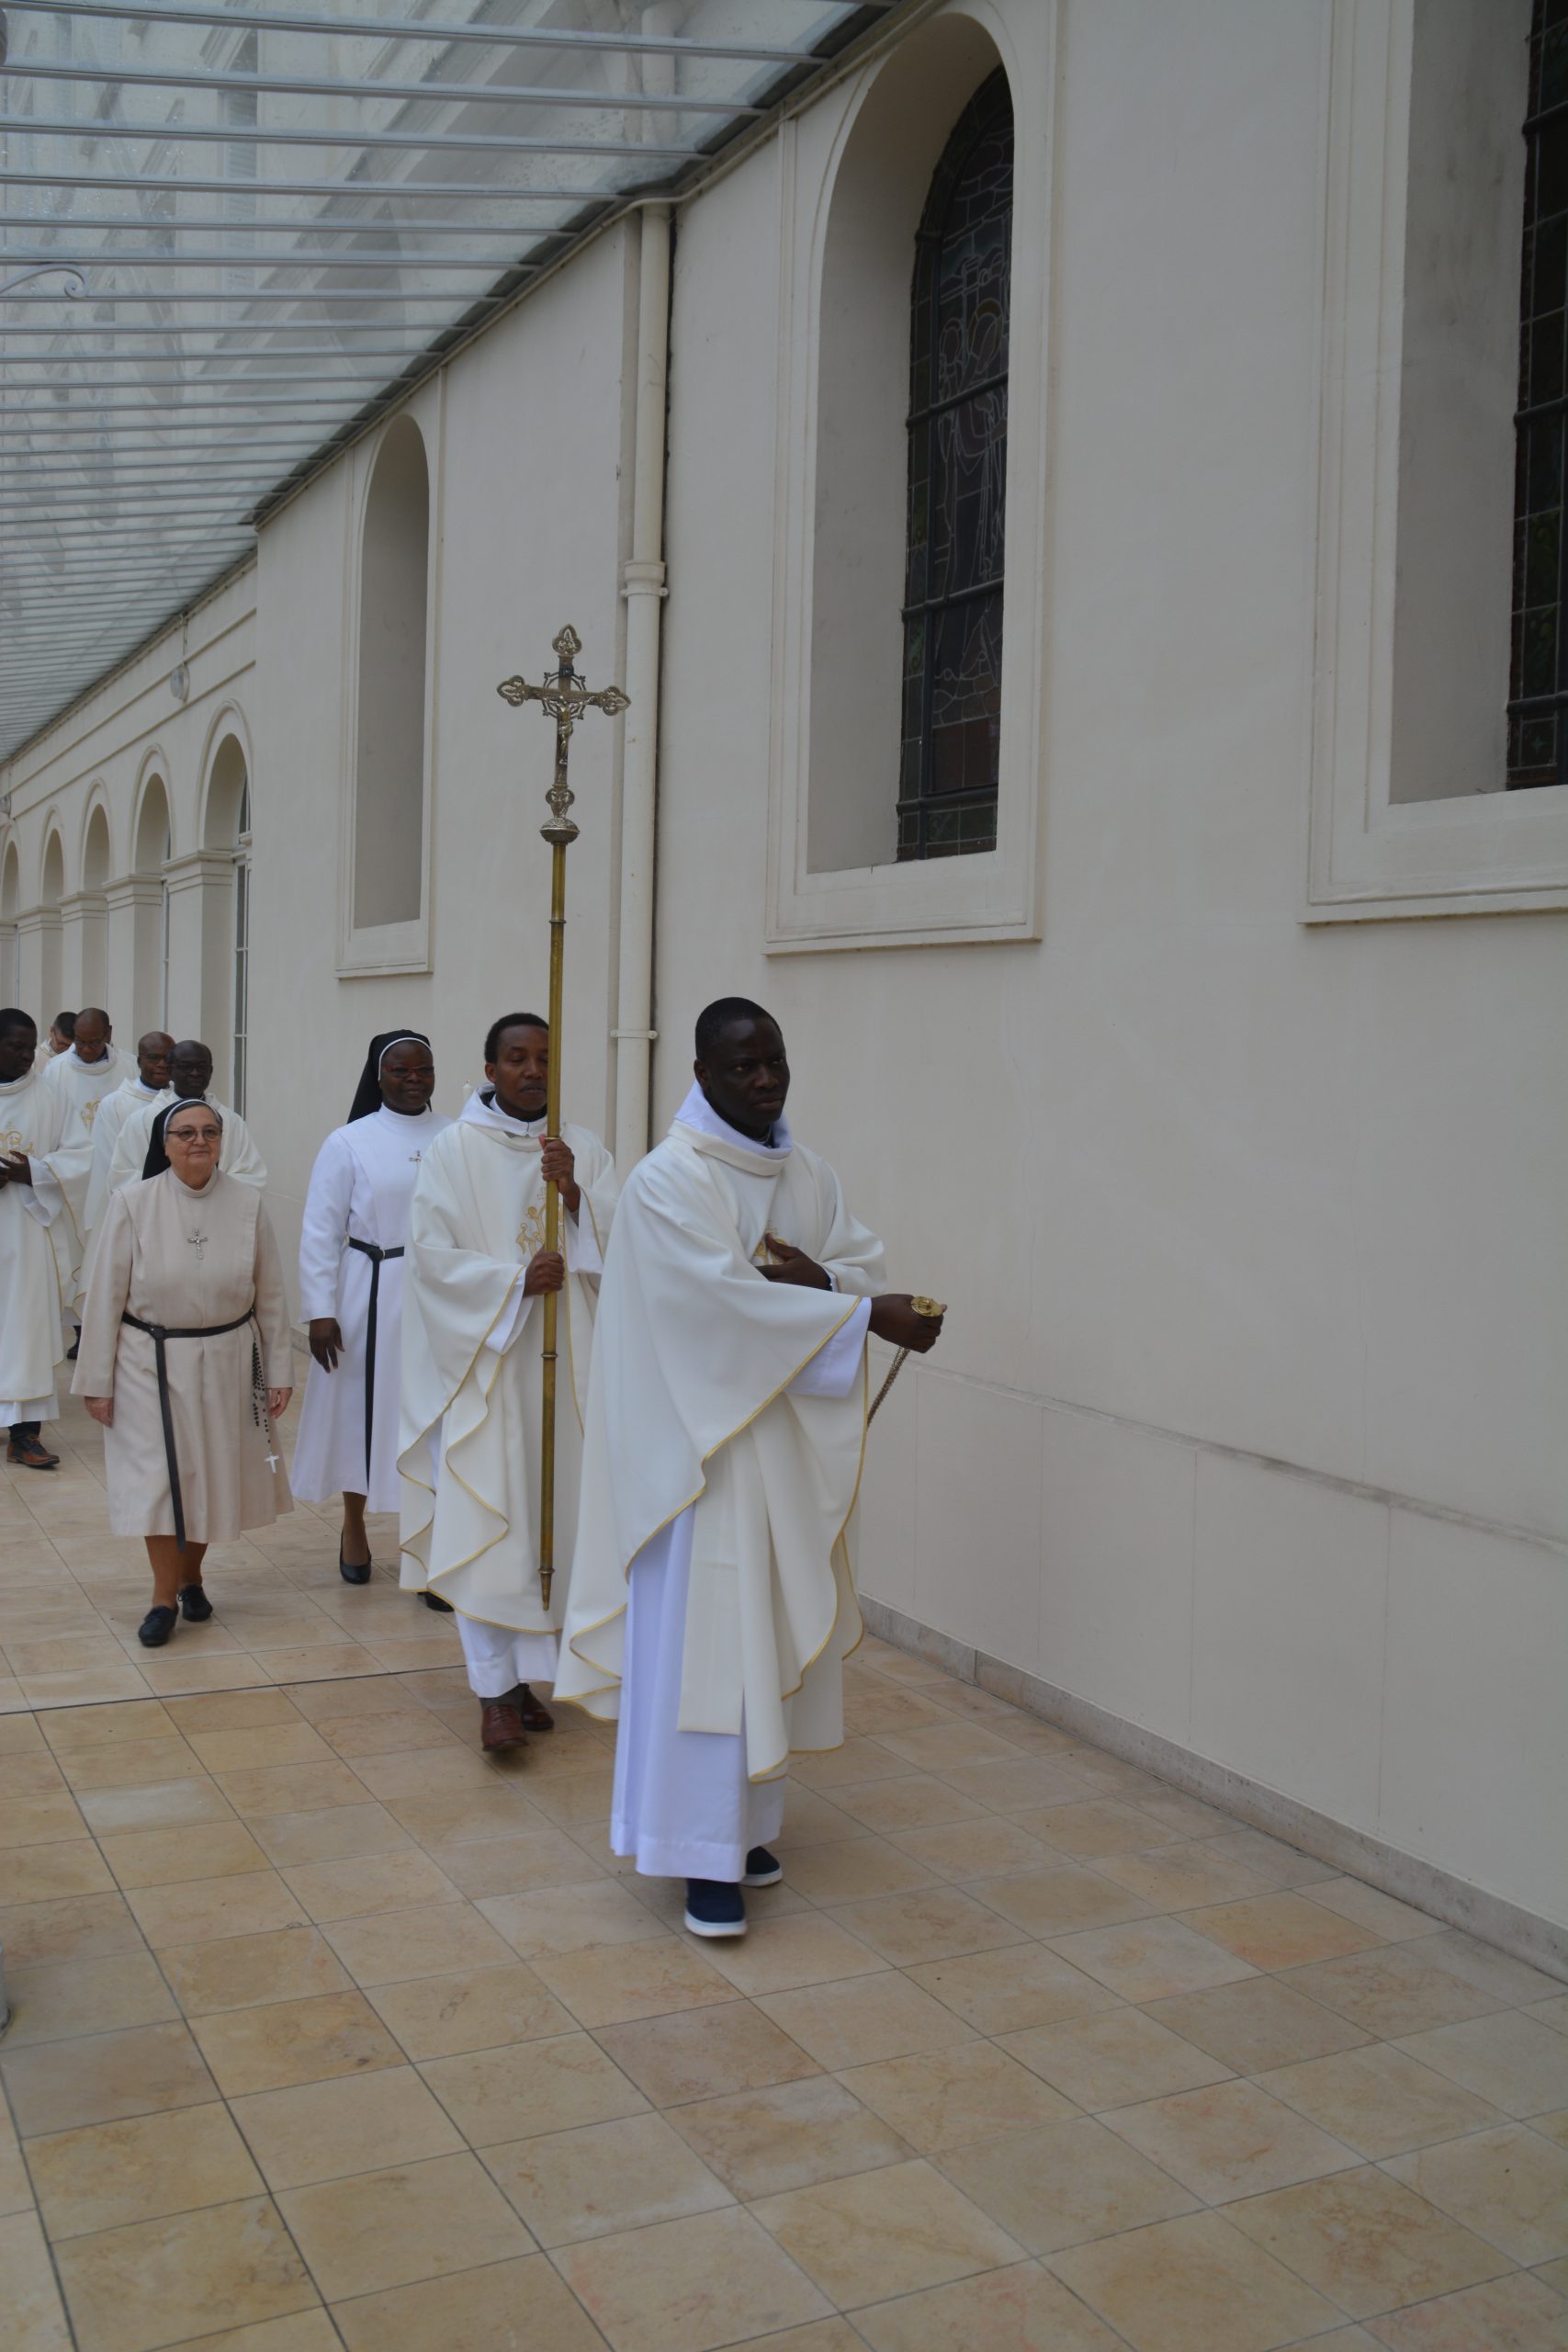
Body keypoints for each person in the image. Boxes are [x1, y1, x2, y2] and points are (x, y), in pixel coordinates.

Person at [557, 999, 944, 1939]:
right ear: (701, 1070)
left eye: (774, 1061)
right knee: (705, 1652)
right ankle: (696, 1854)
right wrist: (863, 1315)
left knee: (759, 1637)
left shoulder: (804, 1170)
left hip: (771, 1448)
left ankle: (745, 1826)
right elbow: (713, 1310)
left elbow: (847, 1261)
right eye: (743, 1068)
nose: (764, 1081)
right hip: (698, 1460)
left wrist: (837, 1291)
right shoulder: (666, 1183)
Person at [399, 1013, 617, 1750]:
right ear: (489, 1070)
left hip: (571, 1371)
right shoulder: (453, 1152)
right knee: (488, 1524)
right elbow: (428, 1258)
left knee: (551, 1524)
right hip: (488, 1369)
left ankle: (530, 1677)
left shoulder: (581, 1147)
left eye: (545, 1059)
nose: (532, 1071)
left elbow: (630, 1249)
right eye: (516, 1059)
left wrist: (578, 1196)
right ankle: (493, 1690)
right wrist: (511, 1283)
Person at [73, 1100, 293, 1647]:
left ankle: (192, 1577)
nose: (200, 1141)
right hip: (148, 1359)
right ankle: (161, 1598)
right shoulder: (132, 1202)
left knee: (207, 1477)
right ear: (165, 1143)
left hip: (227, 1359)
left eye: (210, 1132)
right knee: (159, 1482)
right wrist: (96, 1381)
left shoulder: (248, 1204)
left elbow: (270, 1295)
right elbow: (104, 1298)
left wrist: (279, 1372)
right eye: (186, 1133)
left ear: (223, 1142)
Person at [291, 1032, 448, 1583]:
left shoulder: (459, 1137)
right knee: (361, 1413)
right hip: (370, 1290)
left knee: (434, 1423)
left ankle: (429, 1550)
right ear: (377, 1078)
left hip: (442, 1295)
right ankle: (353, 1525)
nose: (413, 1080)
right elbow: (319, 1231)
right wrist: (319, 1308)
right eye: (400, 1071)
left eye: (423, 1070)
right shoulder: (349, 1141)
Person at [0, 1009, 77, 1470]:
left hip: (28, 1231)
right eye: (16, 1046)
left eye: (31, 1046)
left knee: (25, 1328)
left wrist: (37, 1171)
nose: (27, 1054)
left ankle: (25, 1435)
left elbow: (81, 1155)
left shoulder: (50, 1094)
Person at [39, 1007, 137, 1322]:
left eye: (92, 1042)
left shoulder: (129, 1067)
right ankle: (81, 1328)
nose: (84, 1049)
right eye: (79, 1042)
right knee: (77, 1251)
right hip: (73, 1181)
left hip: (115, 1171)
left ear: (108, 1034)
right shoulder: (55, 1070)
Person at [107, 1038, 266, 1196]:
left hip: (218, 1214)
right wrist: (177, 1194)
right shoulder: (141, 1121)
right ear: (170, 1071)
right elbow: (123, 1176)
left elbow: (251, 1176)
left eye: (201, 1067)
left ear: (211, 1071)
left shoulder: (232, 1122)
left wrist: (207, 1192)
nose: (195, 1073)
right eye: (186, 1067)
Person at [84, 1031, 174, 1243]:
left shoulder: (182, 1103)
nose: (162, 1064)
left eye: (168, 1059)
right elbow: (107, 1166)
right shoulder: (114, 1104)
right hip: (132, 1207)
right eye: (154, 1058)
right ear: (139, 1061)